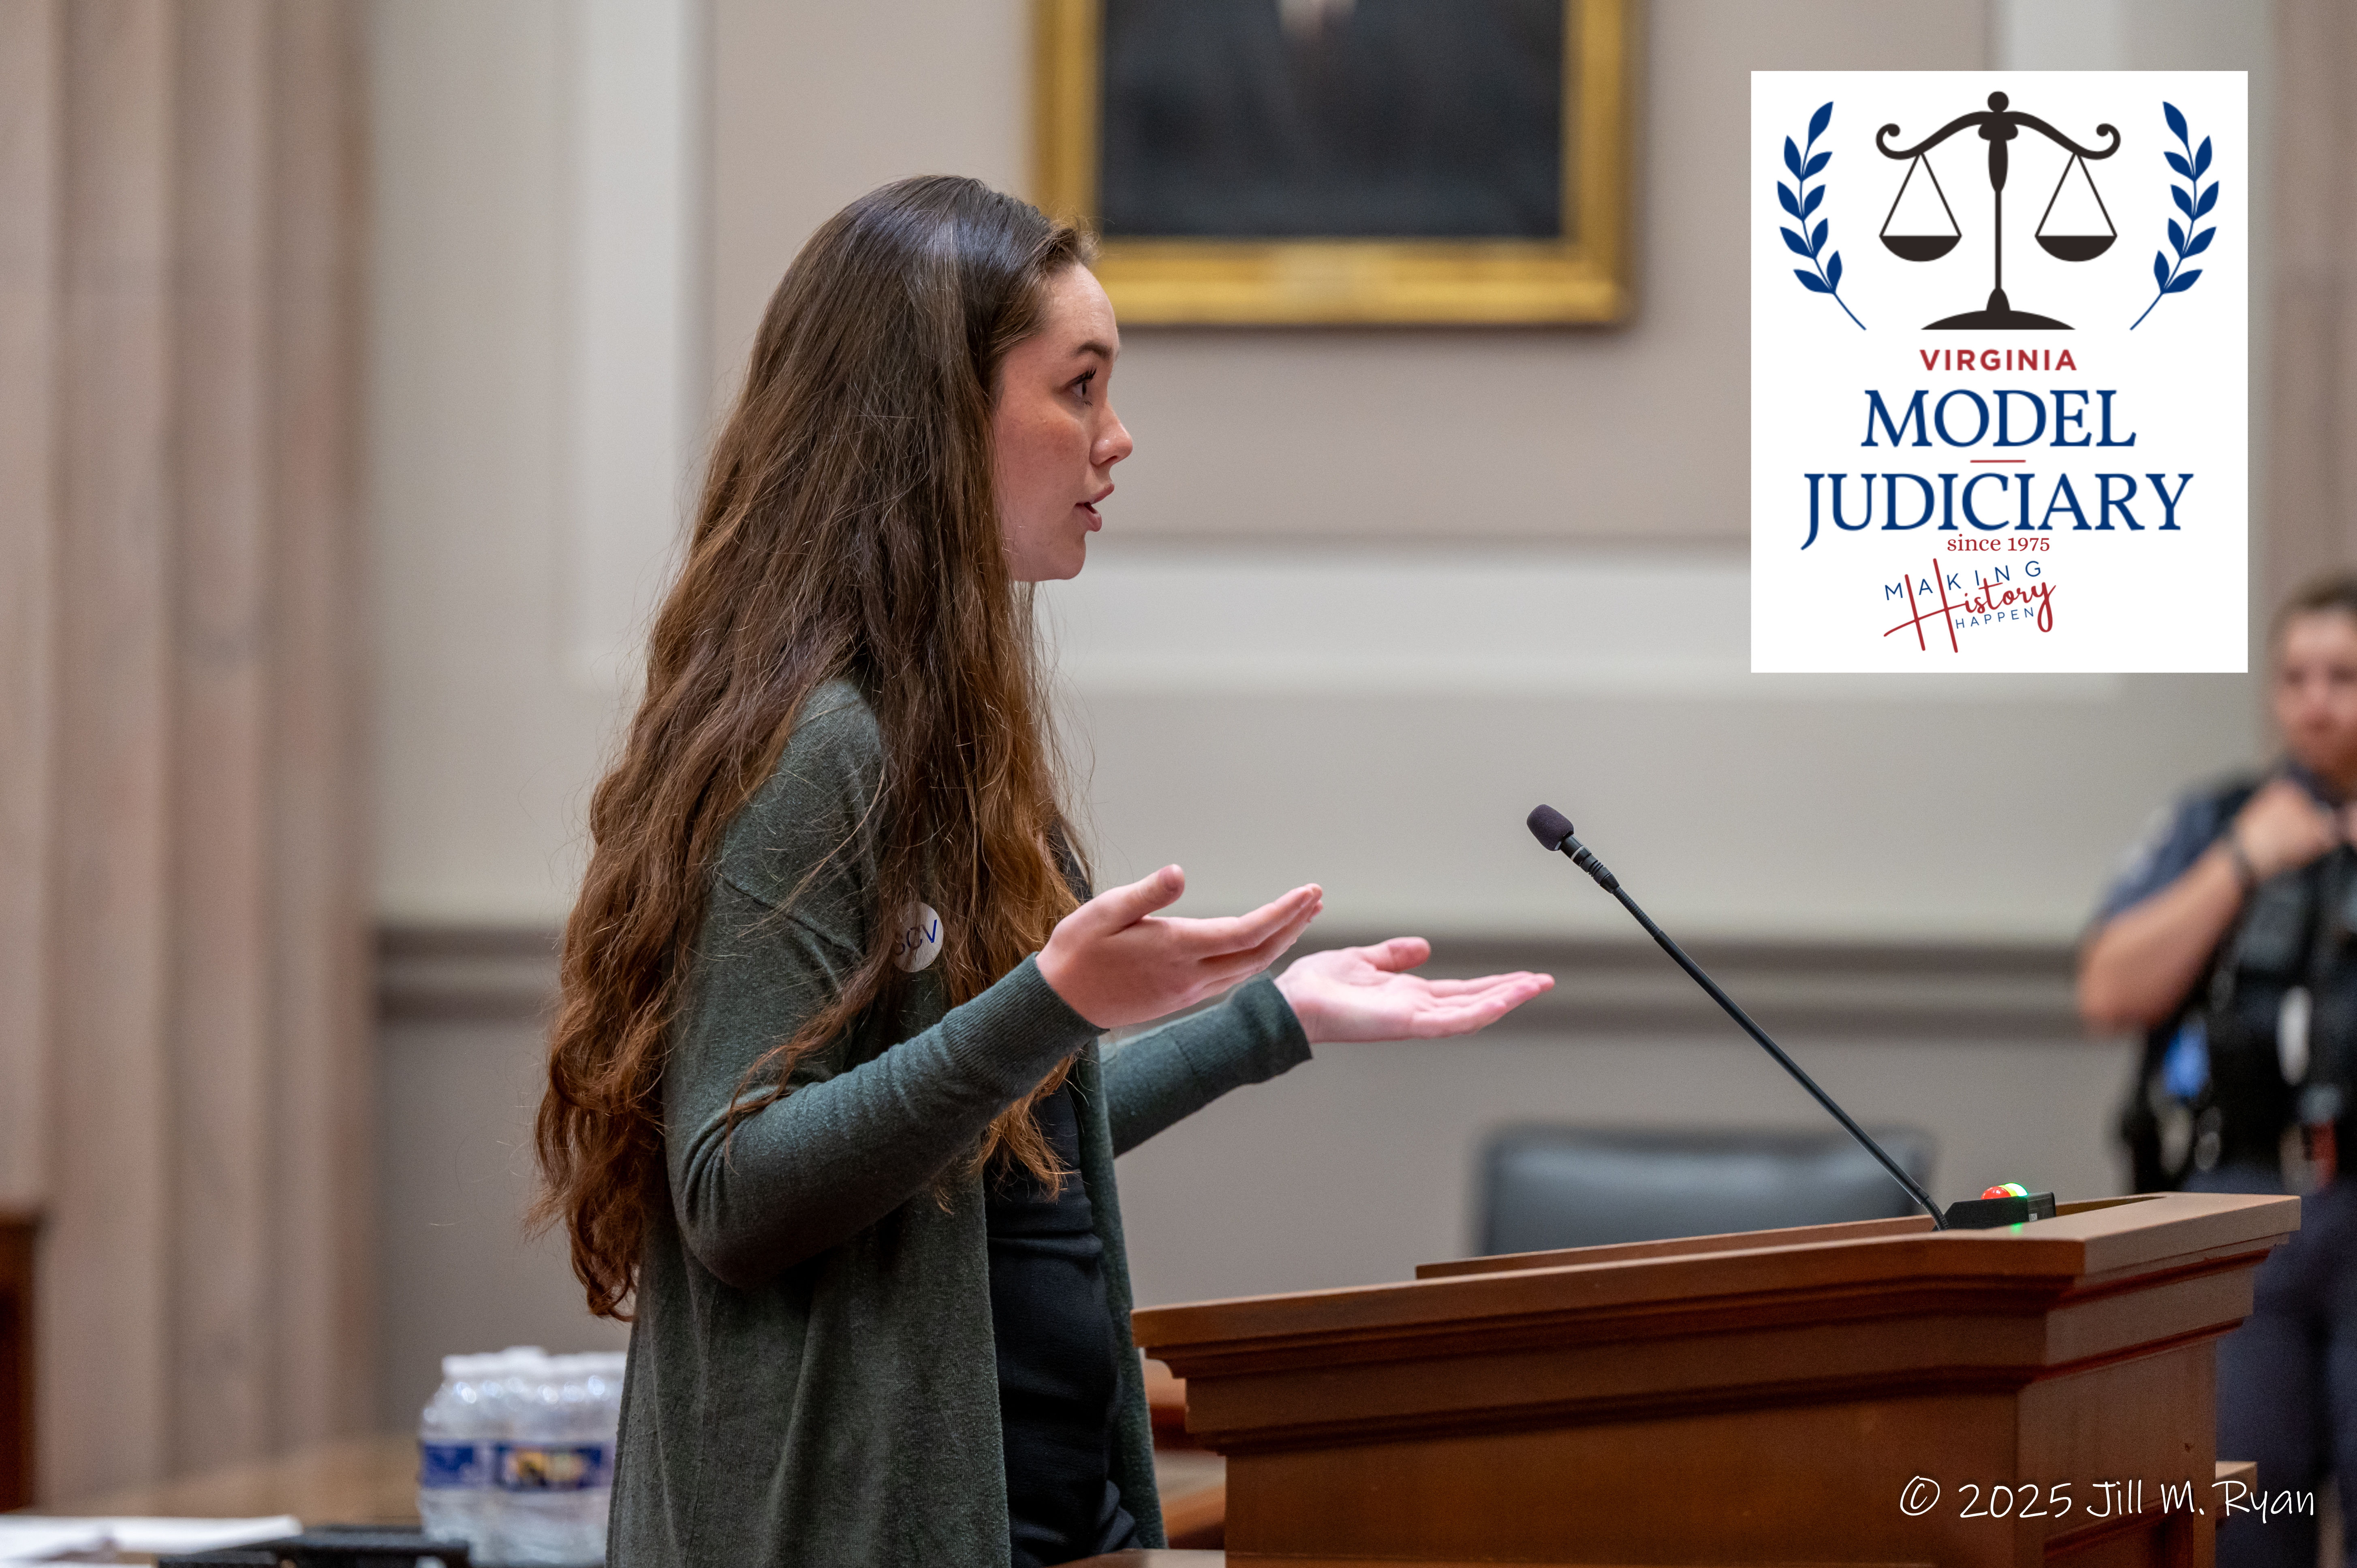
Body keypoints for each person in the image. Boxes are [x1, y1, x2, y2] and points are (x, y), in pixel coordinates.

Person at [532, 175, 1554, 1568]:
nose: (1115, 440)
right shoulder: (814, 749)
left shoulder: (942, 741)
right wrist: (1048, 1002)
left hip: (1044, 1522)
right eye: (1077, 388)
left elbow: (996, 1155)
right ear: (937, 416)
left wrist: (1275, 1021)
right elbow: (734, 1194)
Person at [2079, 575, 2357, 1568]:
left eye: (2343, 677)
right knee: (2241, 1523)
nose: (2314, 701)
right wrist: (2243, 861)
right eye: (2295, 677)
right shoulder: (2215, 821)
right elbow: (2107, 988)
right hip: (2239, 1202)